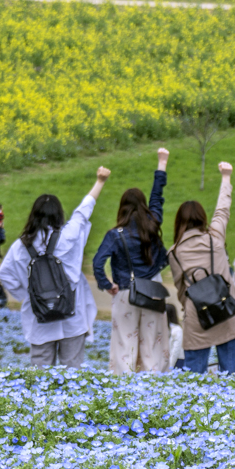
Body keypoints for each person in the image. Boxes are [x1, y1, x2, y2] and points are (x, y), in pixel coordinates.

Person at [0, 168, 106, 367]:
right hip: (72, 315)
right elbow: (83, 212)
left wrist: (27, 295)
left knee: (40, 375)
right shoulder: (68, 237)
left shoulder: (21, 246)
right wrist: (100, 181)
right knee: (72, 372)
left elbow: (4, 274)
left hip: (39, 319)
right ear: (58, 215)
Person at [93, 148, 169, 373]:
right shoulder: (153, 224)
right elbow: (157, 195)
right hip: (153, 290)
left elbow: (98, 263)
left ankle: (124, 396)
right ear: (143, 207)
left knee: (124, 348)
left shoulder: (115, 235)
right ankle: (156, 396)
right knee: (153, 348)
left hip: (126, 293)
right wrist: (161, 163)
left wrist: (107, 285)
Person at [171, 161, 235, 374]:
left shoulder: (174, 252)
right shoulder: (215, 237)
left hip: (198, 316)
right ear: (202, 218)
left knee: (193, 382)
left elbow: (181, 290)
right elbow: (223, 209)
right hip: (227, 309)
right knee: (232, 380)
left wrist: (194, 305)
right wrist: (226, 177)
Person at [165, 303, 183, 369]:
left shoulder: (177, 330)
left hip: (177, 361)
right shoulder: (164, 328)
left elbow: (176, 350)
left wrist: (170, 366)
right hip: (167, 360)